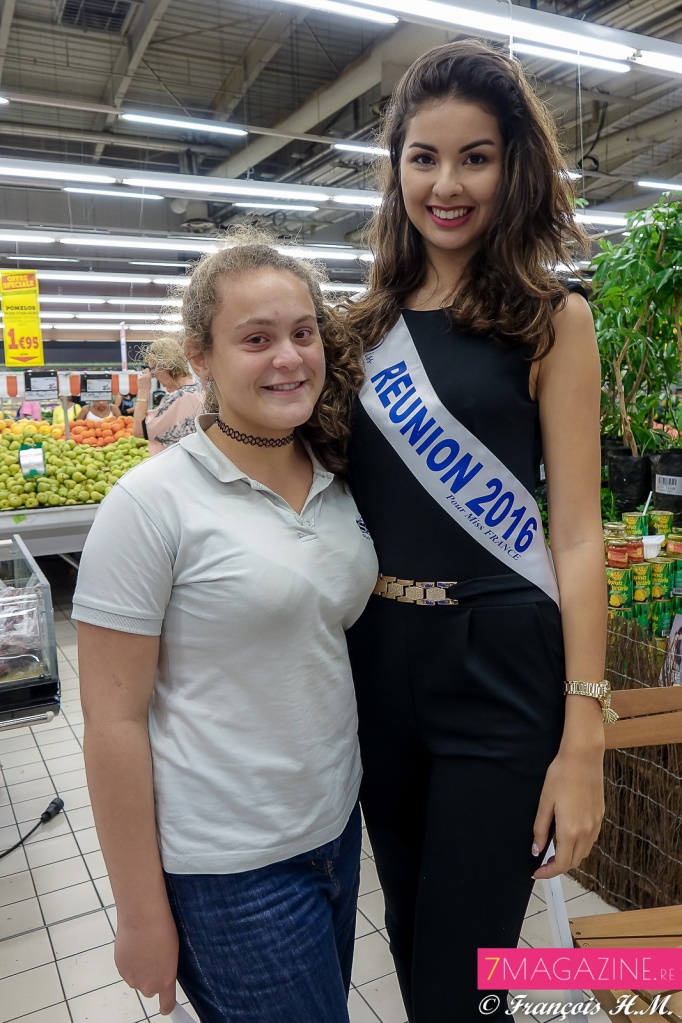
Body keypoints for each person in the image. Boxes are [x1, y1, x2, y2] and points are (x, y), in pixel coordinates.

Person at [343, 40, 607, 1022]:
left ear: (514, 166)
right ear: (398, 169)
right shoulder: (358, 331)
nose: (445, 184)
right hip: (376, 661)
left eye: (475, 157)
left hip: (500, 664)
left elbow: (576, 535)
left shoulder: (551, 319)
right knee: (415, 942)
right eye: (424, 158)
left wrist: (584, 740)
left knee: (468, 969)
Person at [74, 240, 378, 1023]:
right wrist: (140, 913)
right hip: (231, 870)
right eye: (256, 338)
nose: (289, 357)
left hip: (335, 832)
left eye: (303, 332)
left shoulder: (339, 480)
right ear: (202, 356)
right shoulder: (150, 505)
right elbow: (112, 720)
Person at [132, 336, 203, 455]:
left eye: (153, 368)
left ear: (164, 364)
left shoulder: (181, 397)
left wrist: (143, 390)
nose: (153, 375)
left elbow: (139, 430)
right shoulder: (198, 391)